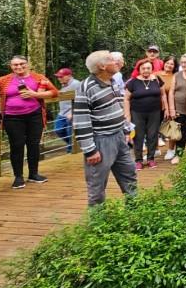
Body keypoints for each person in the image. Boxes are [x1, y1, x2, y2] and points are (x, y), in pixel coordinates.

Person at [0, 55, 58, 189]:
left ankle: (33, 174)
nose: (19, 67)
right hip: (12, 118)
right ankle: (18, 177)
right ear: (11, 66)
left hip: (35, 116)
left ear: (27, 64)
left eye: (22, 64)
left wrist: (35, 94)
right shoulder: (4, 80)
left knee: (34, 144)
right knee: (17, 146)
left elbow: (54, 92)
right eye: (15, 65)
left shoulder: (38, 77)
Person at [73, 50, 137, 206]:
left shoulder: (113, 81)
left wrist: (126, 130)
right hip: (101, 141)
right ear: (102, 66)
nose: (116, 62)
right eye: (111, 60)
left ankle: (136, 212)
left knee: (129, 175)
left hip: (119, 136)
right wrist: (90, 150)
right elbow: (81, 121)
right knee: (97, 184)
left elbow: (119, 108)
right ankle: (97, 221)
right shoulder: (86, 87)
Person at [124, 60, 166, 170]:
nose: (146, 70)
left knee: (153, 135)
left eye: (148, 68)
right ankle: (138, 160)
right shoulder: (133, 82)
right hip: (137, 113)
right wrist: (127, 114)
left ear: (152, 68)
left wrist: (165, 108)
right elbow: (126, 99)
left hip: (155, 112)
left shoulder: (157, 79)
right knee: (138, 136)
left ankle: (151, 158)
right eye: (143, 68)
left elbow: (163, 94)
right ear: (139, 69)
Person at [168, 53, 186, 164]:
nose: (183, 64)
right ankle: (178, 154)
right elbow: (171, 92)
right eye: (182, 62)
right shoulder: (177, 75)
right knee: (180, 134)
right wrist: (171, 109)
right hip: (179, 109)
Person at [54, 68, 81, 153]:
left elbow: (82, 99)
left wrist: (73, 112)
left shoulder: (76, 84)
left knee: (70, 134)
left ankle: (71, 151)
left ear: (69, 76)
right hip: (62, 113)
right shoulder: (64, 84)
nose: (59, 78)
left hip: (71, 113)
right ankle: (74, 145)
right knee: (58, 130)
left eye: (61, 77)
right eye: (58, 77)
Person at [158, 57, 177, 159]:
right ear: (164, 63)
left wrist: (170, 108)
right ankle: (155, 150)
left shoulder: (175, 76)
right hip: (157, 106)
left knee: (171, 127)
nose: (169, 65)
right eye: (167, 63)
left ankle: (171, 150)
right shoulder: (156, 74)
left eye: (172, 64)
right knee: (153, 129)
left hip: (171, 105)